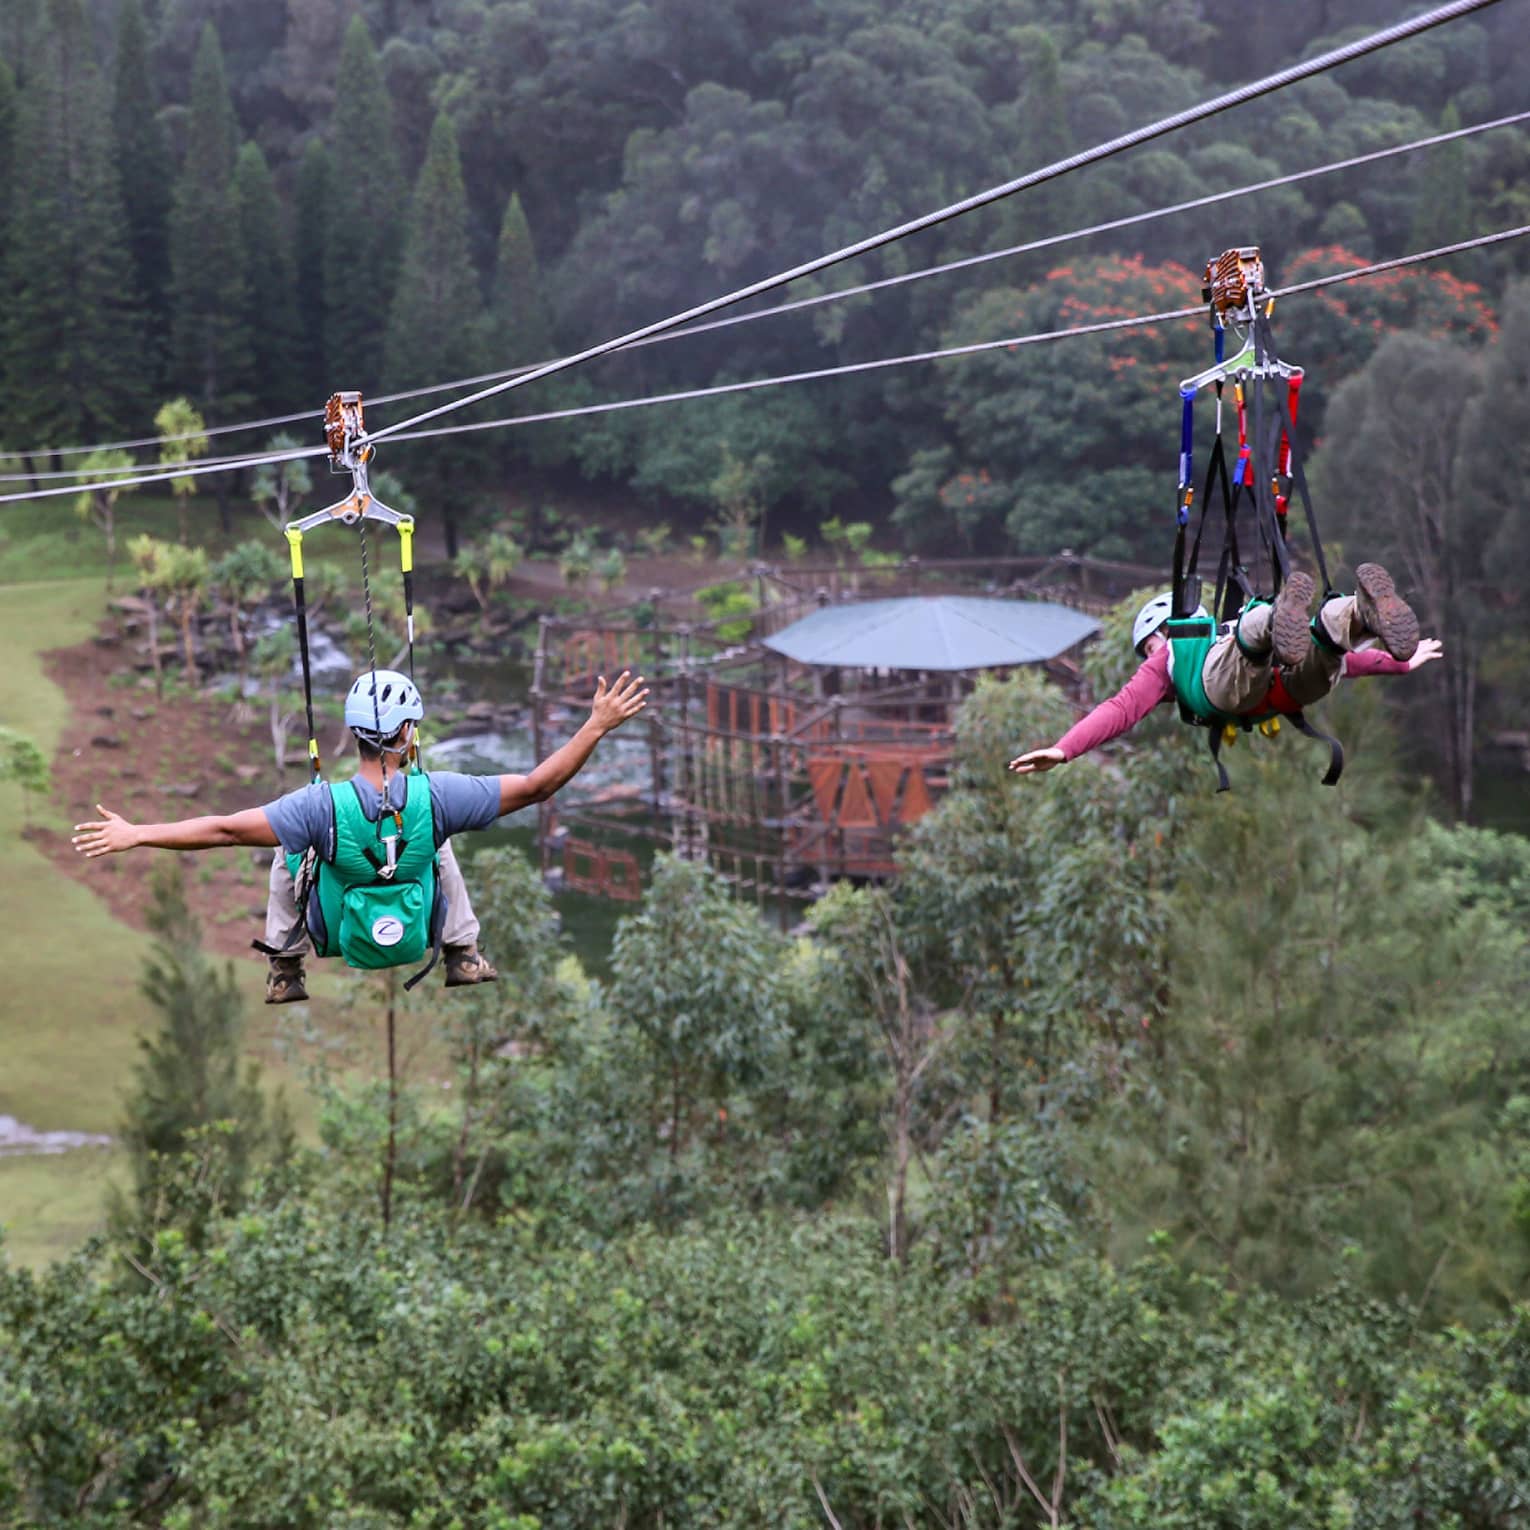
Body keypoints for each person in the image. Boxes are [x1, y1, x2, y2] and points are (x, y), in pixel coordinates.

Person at [73, 667, 649, 999]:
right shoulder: (437, 796)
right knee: (436, 843)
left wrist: (139, 832)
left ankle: (286, 969)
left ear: (355, 735)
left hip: (335, 926)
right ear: (404, 733)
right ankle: (463, 954)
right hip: (417, 920)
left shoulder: (318, 808)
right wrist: (595, 725)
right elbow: (536, 787)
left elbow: (224, 830)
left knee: (285, 847)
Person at [1009, 564, 1440, 776]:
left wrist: (1065, 749)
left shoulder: (1170, 659)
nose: (1150, 653)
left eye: (1149, 643)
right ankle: (1354, 615)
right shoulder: (1217, 633)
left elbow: (1119, 709)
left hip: (1234, 688)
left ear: (1166, 628)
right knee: (1325, 647)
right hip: (1288, 690)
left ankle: (1276, 620)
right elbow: (1354, 664)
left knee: (1249, 651)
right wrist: (1398, 663)